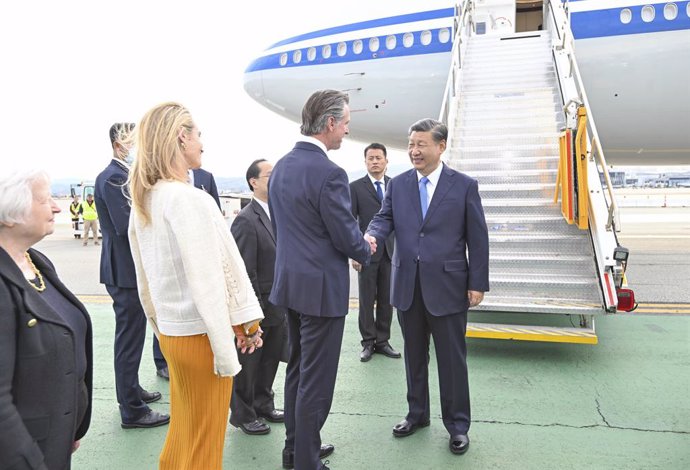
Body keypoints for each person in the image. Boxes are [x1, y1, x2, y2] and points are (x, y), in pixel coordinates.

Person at [128, 101, 265, 470]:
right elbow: (212, 277)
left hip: (173, 335)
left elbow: (146, 278)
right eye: (198, 134)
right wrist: (246, 326)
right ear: (181, 136)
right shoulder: (190, 199)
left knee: (183, 434)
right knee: (205, 443)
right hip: (202, 338)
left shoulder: (147, 199)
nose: (202, 143)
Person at [365, 118, 489, 456]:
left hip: (449, 287)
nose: (414, 151)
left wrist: (478, 283)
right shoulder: (399, 184)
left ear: (441, 146)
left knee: (452, 361)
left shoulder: (463, 185)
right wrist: (372, 235)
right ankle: (417, 414)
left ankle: (458, 425)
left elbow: (478, 238)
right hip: (407, 284)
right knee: (414, 358)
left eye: (421, 144)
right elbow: (384, 218)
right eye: (411, 145)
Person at [269, 89, 373, 470]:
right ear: (329, 124)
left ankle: (296, 450)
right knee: (317, 382)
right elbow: (346, 236)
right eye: (345, 123)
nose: (346, 131)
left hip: (291, 286)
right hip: (321, 291)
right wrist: (366, 247)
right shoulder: (330, 173)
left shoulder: (280, 166)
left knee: (298, 370)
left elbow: (284, 228)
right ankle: (307, 462)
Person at [0, 169, 93, 469]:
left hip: (54, 439)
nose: (56, 207)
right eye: (45, 199)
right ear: (9, 215)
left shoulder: (37, 263)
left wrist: (69, 423)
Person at [94, 122, 170, 429]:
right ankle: (132, 410)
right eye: (131, 141)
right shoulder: (114, 177)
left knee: (133, 336)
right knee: (129, 339)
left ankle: (132, 390)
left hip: (126, 270)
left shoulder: (120, 175)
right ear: (117, 145)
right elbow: (128, 226)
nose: (137, 147)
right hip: (124, 271)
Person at [229, 159, 287, 436]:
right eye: (269, 175)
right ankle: (243, 413)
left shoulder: (278, 212)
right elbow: (243, 272)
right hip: (257, 306)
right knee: (248, 363)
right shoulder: (246, 220)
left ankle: (264, 402)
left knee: (271, 358)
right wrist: (252, 314)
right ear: (253, 182)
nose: (275, 179)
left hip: (280, 302)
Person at [349, 142, 400, 362]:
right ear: (365, 162)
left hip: (391, 252)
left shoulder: (395, 186)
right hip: (366, 253)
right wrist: (355, 252)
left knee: (387, 299)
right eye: (371, 158)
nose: (375, 162)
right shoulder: (355, 187)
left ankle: (383, 341)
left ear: (386, 161)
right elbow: (350, 221)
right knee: (366, 300)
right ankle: (368, 342)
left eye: (379, 158)